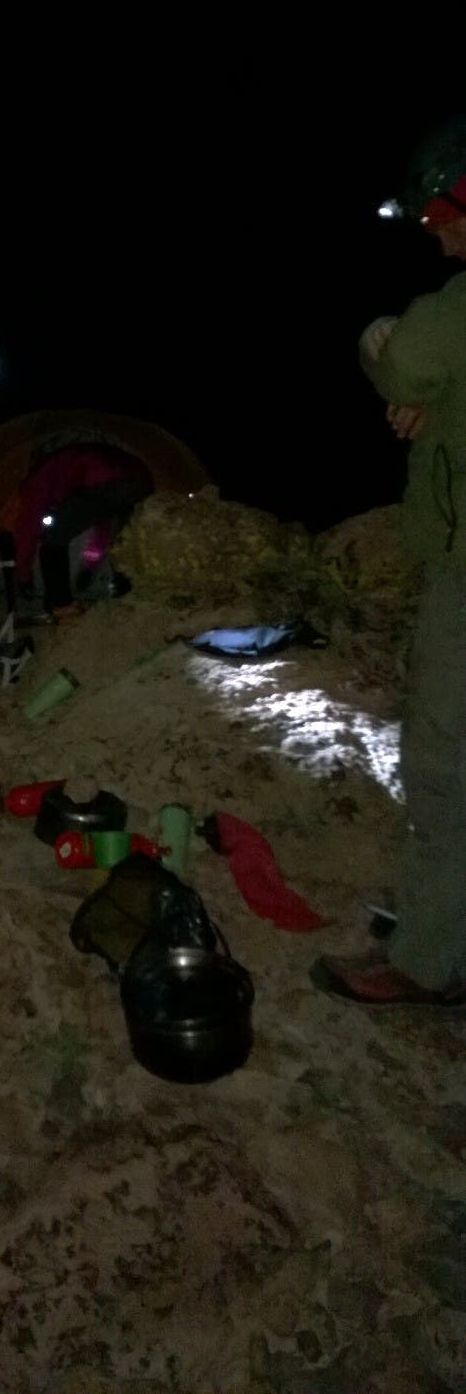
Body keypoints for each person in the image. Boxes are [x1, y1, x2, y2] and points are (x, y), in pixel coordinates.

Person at [313, 114, 466, 1006]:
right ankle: (443, 912)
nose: (435, 236)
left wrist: (380, 343)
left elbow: (402, 362)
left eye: (437, 217)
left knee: (444, 754)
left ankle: (427, 958)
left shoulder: (453, 311)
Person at [12, 442, 153, 620]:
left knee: (54, 538)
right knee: (124, 538)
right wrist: (90, 564)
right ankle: (125, 593)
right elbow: (102, 527)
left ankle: (61, 604)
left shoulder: (40, 476)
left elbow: (27, 527)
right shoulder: (70, 464)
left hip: (106, 479)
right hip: (141, 480)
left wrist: (23, 576)